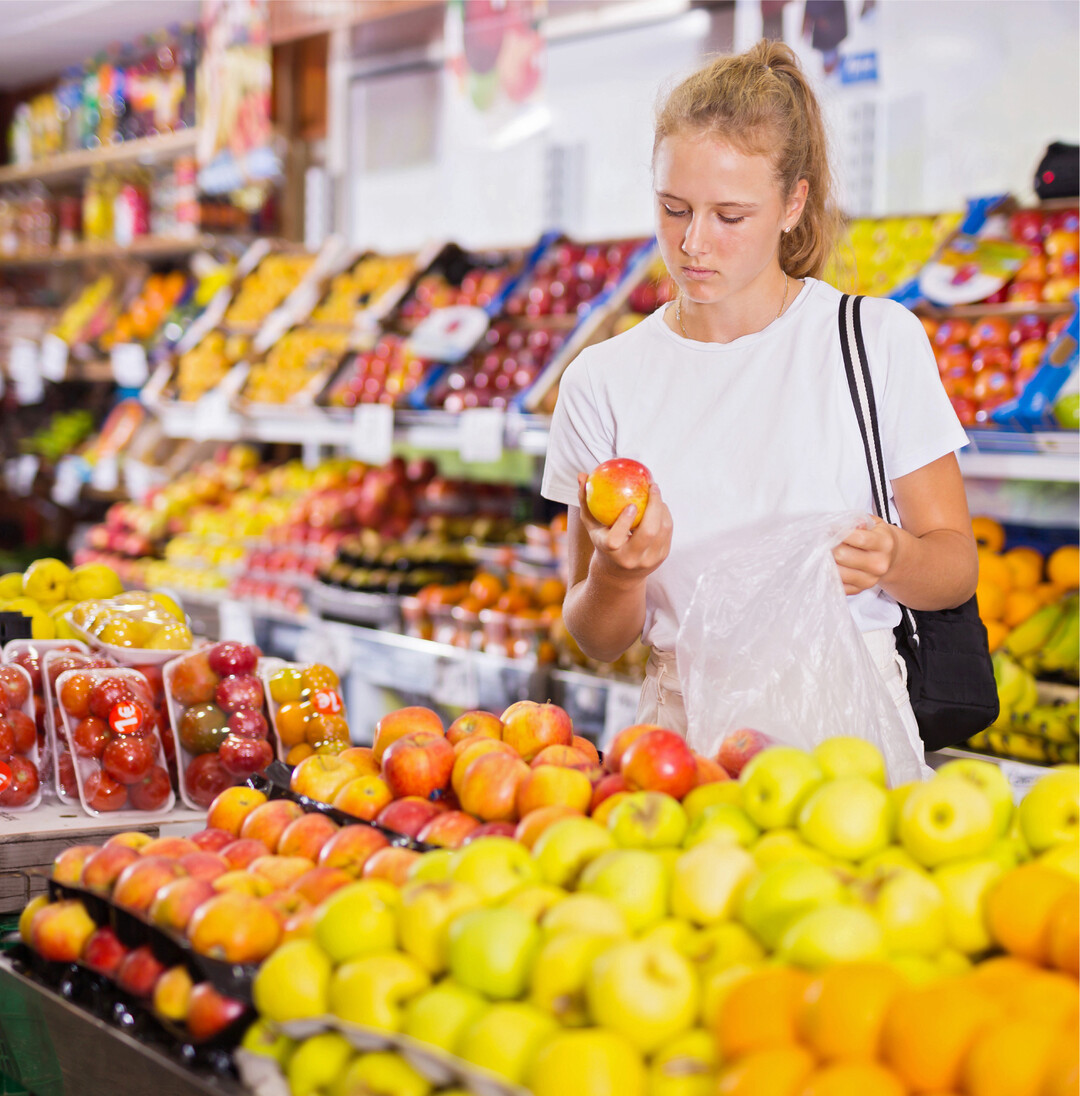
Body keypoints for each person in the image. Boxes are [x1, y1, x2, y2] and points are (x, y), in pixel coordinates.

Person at [540, 39, 978, 761]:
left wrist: (895, 557)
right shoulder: (602, 379)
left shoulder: (874, 341)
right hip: (684, 742)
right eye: (674, 208)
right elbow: (596, 637)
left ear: (792, 203)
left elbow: (955, 567)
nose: (693, 243)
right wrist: (618, 574)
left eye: (730, 216)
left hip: (851, 732)